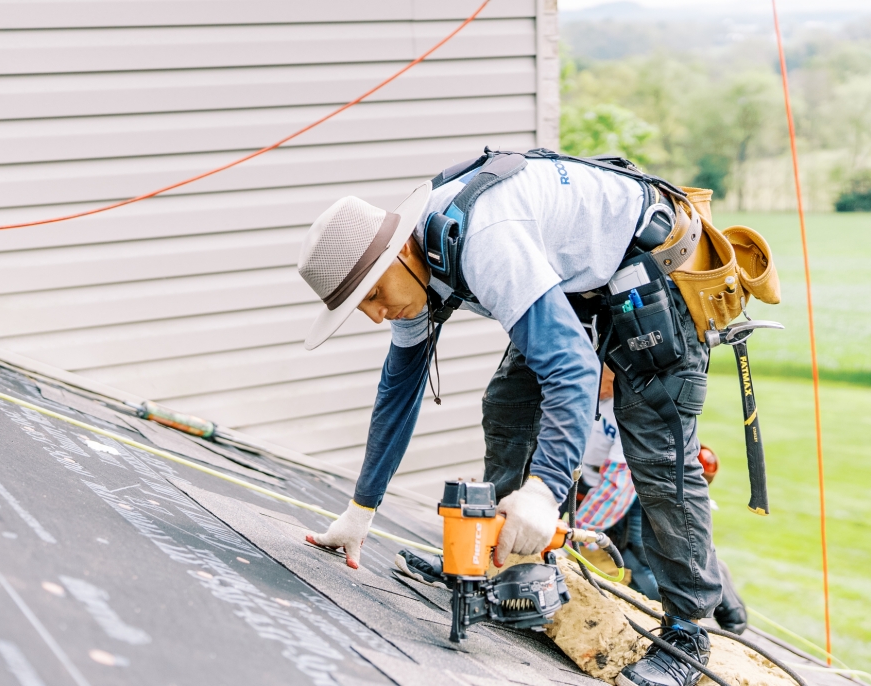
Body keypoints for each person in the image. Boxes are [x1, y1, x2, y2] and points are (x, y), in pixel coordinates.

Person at [296, 148, 721, 686]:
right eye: (362, 307)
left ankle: (688, 632)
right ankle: (504, 560)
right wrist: (360, 511)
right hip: (578, 283)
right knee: (509, 405)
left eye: (375, 294)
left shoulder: (486, 240)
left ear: (401, 251)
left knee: (658, 454)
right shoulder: (419, 271)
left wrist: (543, 491)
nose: (377, 313)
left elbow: (571, 371)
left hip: (651, 271)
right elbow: (399, 390)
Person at [573, 366, 747, 635]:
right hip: (595, 484)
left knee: (646, 568)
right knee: (622, 563)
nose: (598, 385)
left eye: (604, 375)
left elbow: (618, 484)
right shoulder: (583, 389)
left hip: (631, 487)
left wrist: (577, 531)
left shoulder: (631, 405)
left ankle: (718, 593)